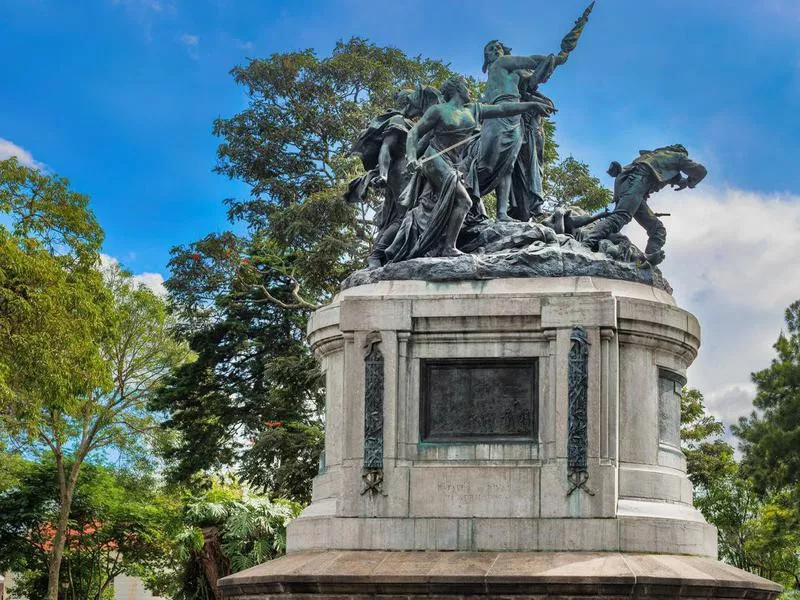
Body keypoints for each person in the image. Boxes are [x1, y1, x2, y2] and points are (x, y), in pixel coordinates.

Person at [385, 76, 554, 262]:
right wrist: (410, 156)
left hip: (457, 165)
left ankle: (428, 243)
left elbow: (502, 109)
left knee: (454, 206)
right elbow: (415, 133)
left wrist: (530, 106)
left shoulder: (473, 110)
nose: (469, 90)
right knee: (464, 201)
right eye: (466, 87)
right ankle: (449, 247)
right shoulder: (438, 110)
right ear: (456, 89)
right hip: (435, 159)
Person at [345, 86, 441, 267]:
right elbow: (386, 149)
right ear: (407, 102)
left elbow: (422, 147)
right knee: (405, 215)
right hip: (400, 171)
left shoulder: (414, 124)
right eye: (413, 101)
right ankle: (376, 255)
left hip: (416, 170)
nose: (416, 105)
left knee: (420, 211)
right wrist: (383, 174)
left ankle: (408, 250)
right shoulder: (398, 120)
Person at [475, 41, 565, 221]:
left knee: (507, 165)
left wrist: (550, 63)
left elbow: (533, 80)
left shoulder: (512, 72)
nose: (496, 50)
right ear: (487, 57)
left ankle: (501, 213)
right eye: (491, 49)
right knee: (486, 164)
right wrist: (555, 59)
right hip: (498, 113)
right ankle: (470, 196)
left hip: (515, 115)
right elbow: (532, 61)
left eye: (498, 47)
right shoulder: (501, 64)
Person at [583, 144, 707, 265]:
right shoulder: (678, 157)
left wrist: (682, 182)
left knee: (657, 229)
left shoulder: (654, 155)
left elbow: (675, 178)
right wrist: (690, 182)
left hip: (627, 184)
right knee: (620, 217)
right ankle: (586, 244)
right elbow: (700, 172)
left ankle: (646, 260)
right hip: (637, 181)